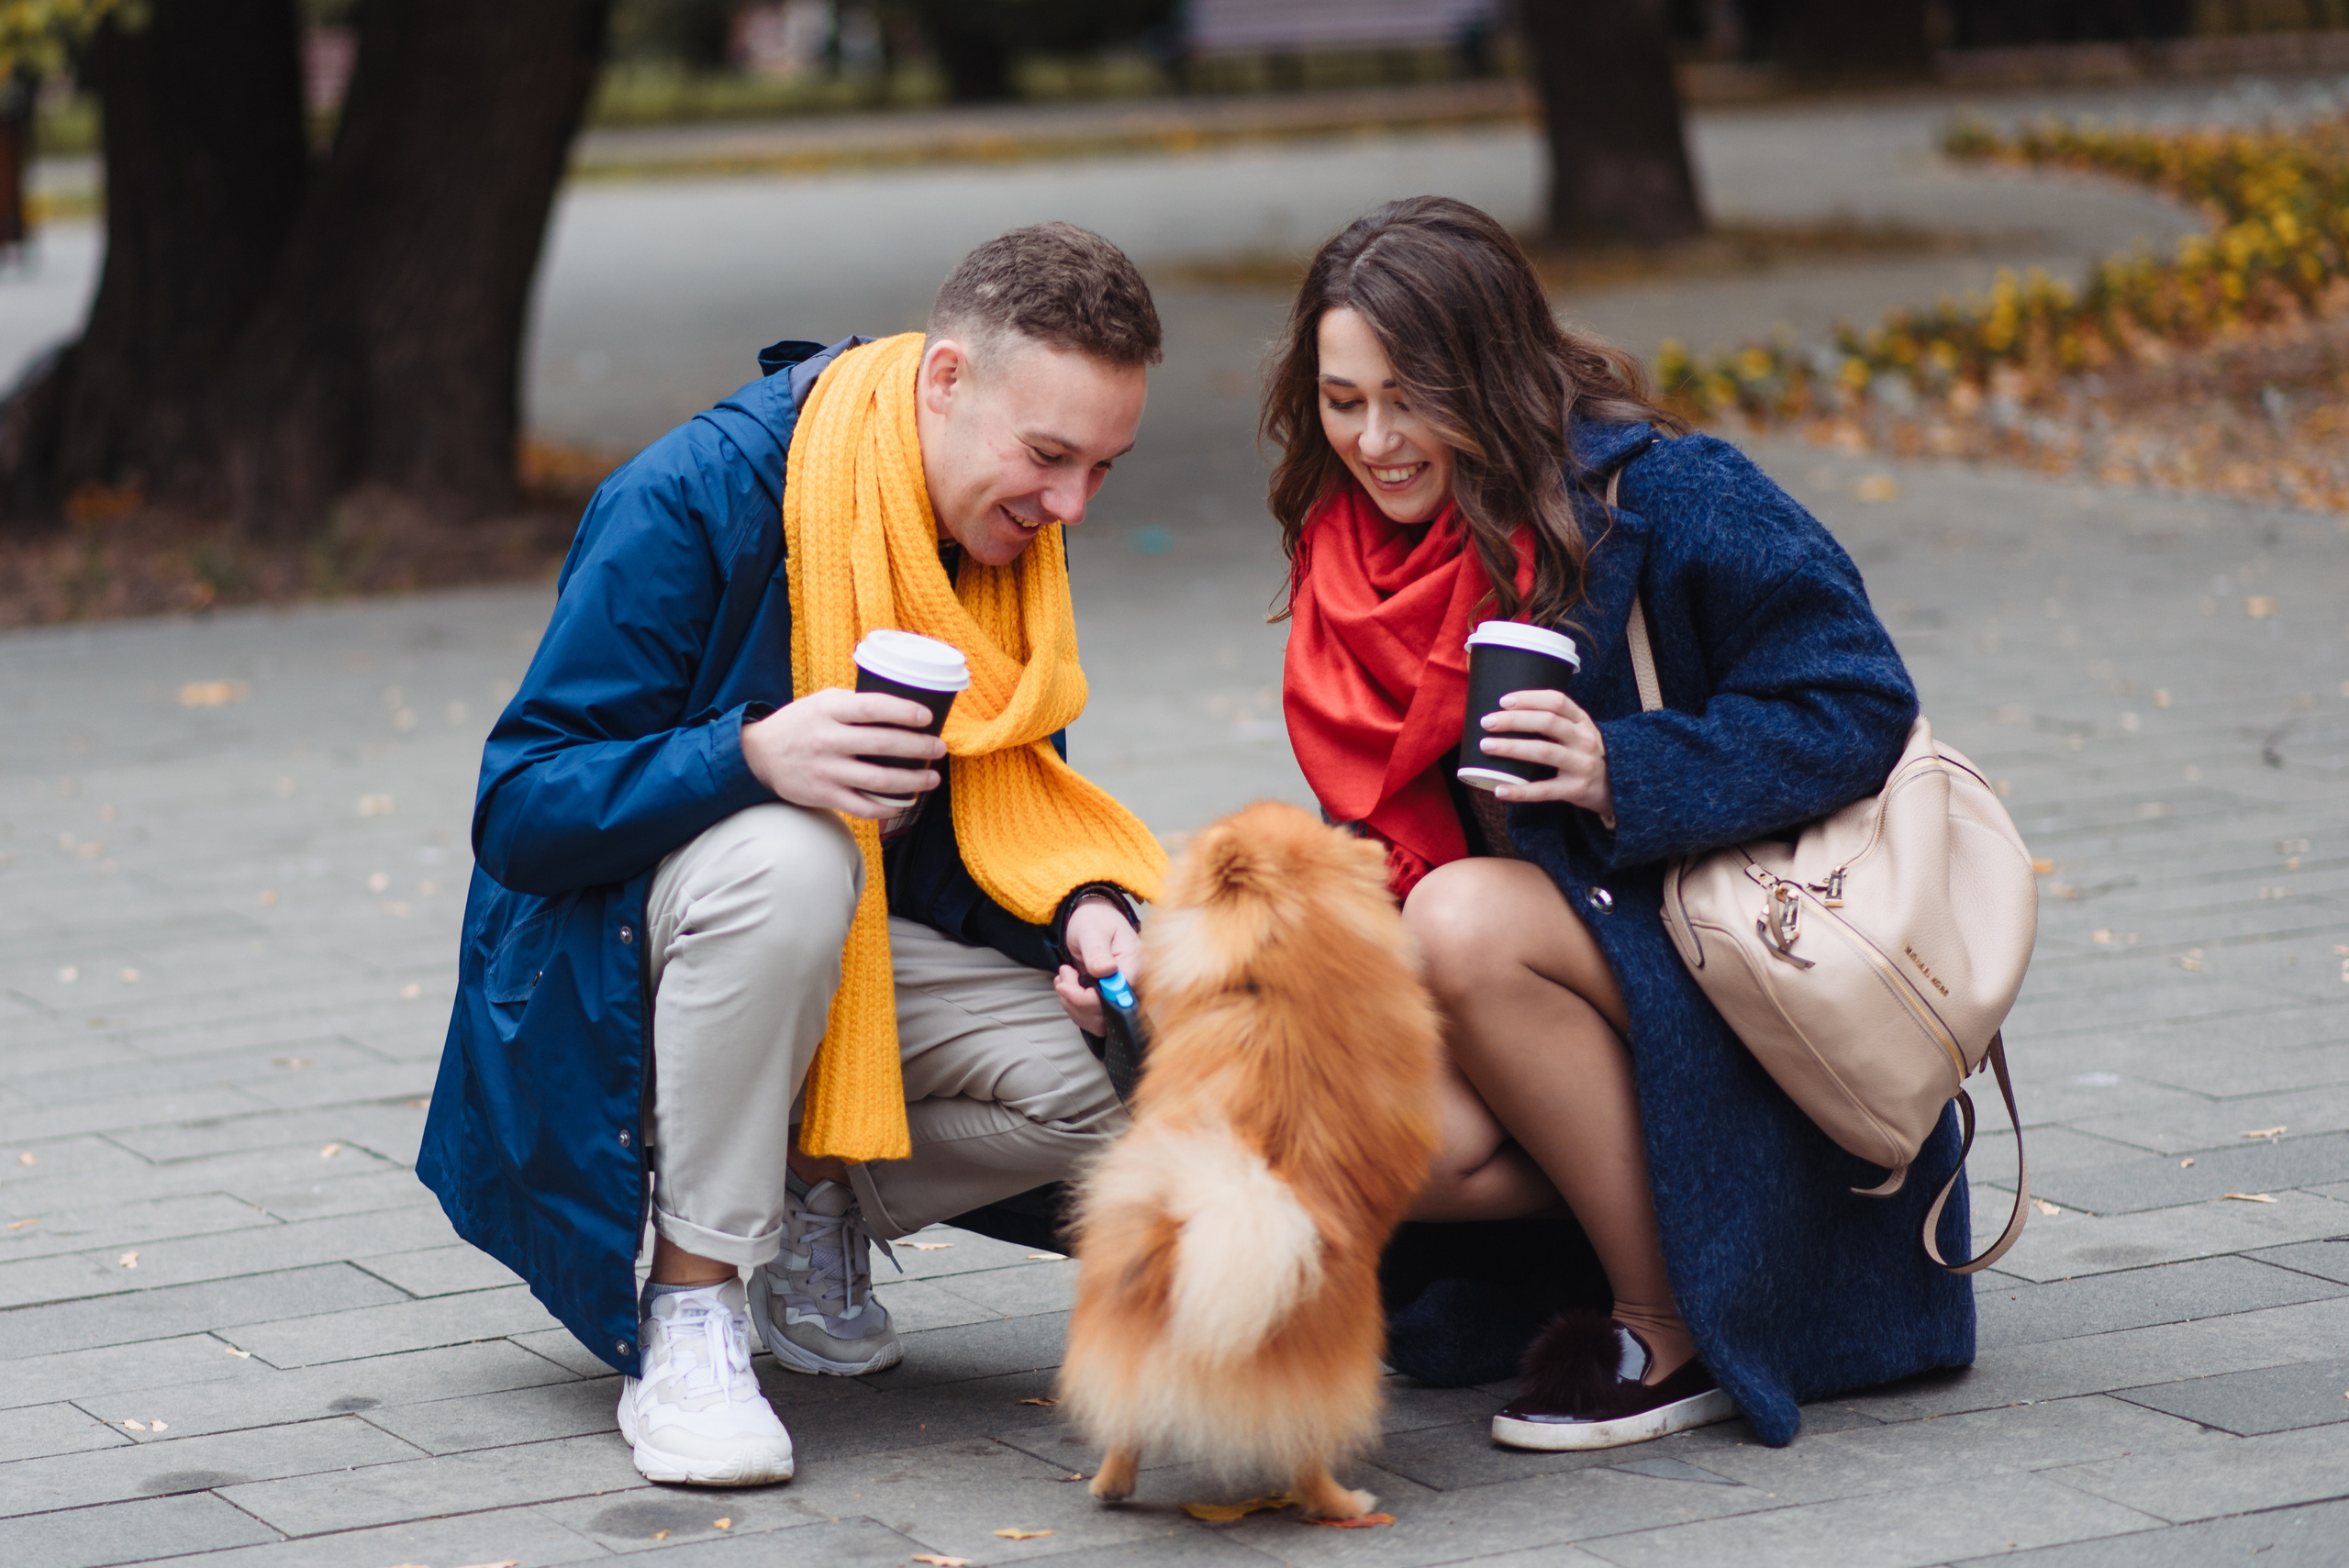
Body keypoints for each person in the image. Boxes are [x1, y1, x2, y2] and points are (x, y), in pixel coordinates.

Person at [419, 223, 1170, 1486]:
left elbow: (980, 836)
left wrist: (1083, 907)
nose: (1071, 507)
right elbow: (521, 808)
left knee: (1134, 1047)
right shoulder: (696, 492)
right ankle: (695, 1307)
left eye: (1104, 466)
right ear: (945, 380)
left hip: (836, 965)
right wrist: (752, 752)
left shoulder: (993, 549)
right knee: (792, 855)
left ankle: (807, 1190)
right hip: (601, 982)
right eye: (1049, 456)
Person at [1268, 196, 1974, 1451]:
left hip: (1734, 971)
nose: (1374, 439)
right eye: (1342, 399)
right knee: (1350, 1121)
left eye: (1409, 396)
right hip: (1548, 983)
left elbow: (1861, 699)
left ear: (1489, 371)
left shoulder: (1667, 490)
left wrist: (1621, 768)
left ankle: (1675, 1321)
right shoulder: (1346, 560)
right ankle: (1711, 1226)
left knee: (1465, 916)